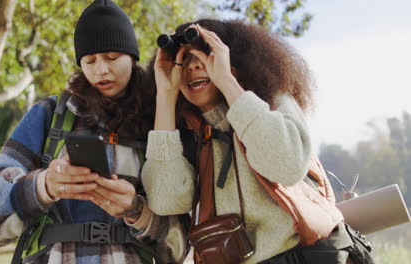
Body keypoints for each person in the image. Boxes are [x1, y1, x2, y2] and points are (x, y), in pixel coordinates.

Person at [142, 19, 373, 263]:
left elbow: (287, 165)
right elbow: (166, 201)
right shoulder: (192, 133)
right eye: (184, 59)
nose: (192, 67)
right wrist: (166, 96)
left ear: (233, 59)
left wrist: (227, 81)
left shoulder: (273, 101)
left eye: (205, 54)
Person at [0, 1, 187, 263]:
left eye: (112, 57)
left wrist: (137, 210)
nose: (101, 70)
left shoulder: (159, 120)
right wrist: (44, 186)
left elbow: (180, 244)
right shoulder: (48, 115)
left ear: (132, 57)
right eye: (90, 60)